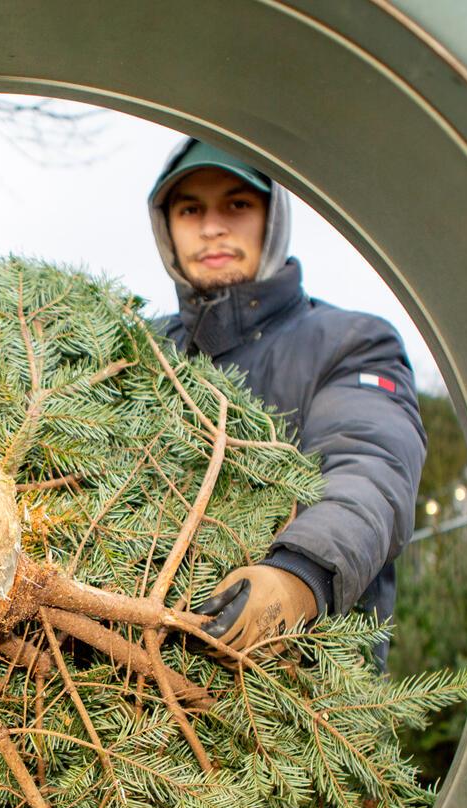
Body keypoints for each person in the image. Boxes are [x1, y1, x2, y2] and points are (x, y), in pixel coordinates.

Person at [147, 138, 427, 668]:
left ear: (272, 217)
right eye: (190, 209)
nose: (212, 228)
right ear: (167, 227)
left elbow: (371, 466)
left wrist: (299, 578)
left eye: (237, 204)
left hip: (304, 703)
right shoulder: (142, 351)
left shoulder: (351, 342)